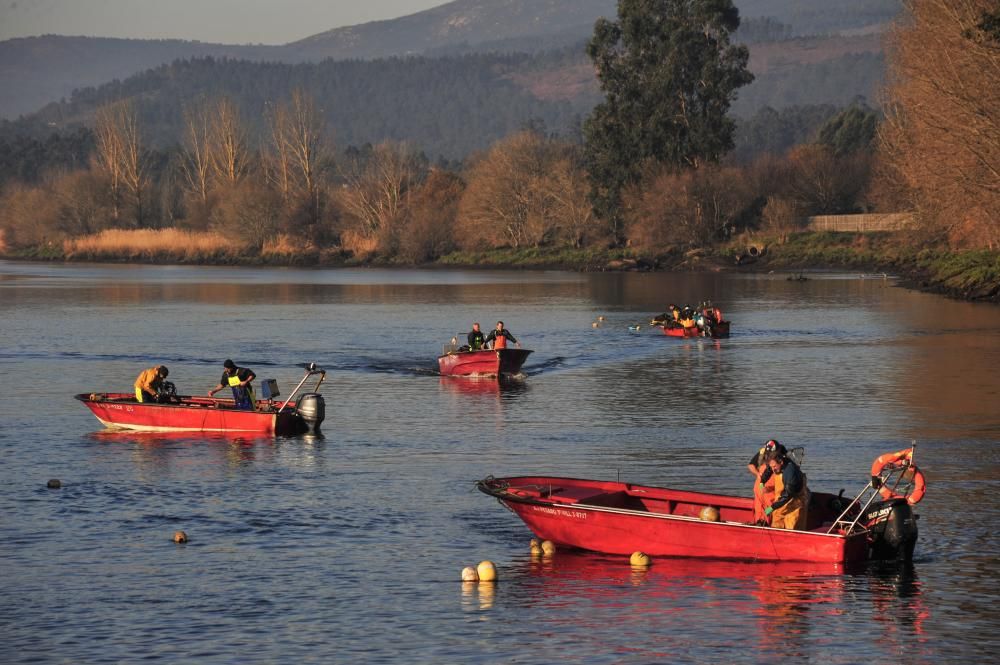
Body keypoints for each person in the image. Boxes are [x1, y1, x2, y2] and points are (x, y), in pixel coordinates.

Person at [761, 448, 809, 530]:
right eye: (772, 466)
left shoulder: (790, 473)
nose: (773, 469)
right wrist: (762, 481)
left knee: (792, 522)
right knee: (777, 517)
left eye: (775, 467)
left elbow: (787, 495)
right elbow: (769, 468)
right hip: (783, 500)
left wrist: (772, 507)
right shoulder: (776, 463)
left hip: (794, 499)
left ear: (781, 462)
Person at [748, 439, 785, 524]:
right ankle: (760, 523)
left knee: (772, 505)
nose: (770, 456)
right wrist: (758, 474)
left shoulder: (782, 452)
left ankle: (769, 524)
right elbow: (750, 465)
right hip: (761, 484)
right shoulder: (762, 452)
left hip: (773, 487)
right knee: (759, 507)